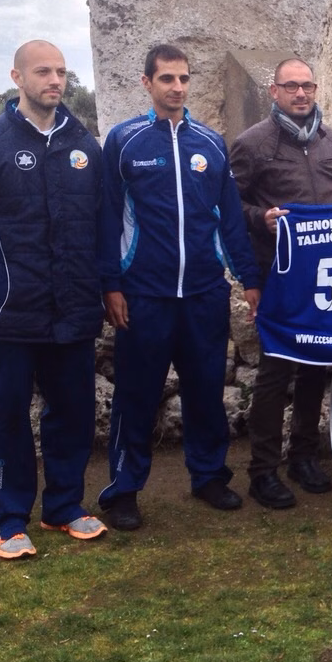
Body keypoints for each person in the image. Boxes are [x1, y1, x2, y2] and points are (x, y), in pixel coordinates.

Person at [0, 39, 107, 559]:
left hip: (73, 308)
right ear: (17, 78)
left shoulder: (86, 148)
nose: (54, 81)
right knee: (8, 418)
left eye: (60, 72)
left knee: (73, 412)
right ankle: (9, 522)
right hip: (9, 311)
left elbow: (100, 225)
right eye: (42, 72)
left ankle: (64, 507)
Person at [98, 44, 261, 530]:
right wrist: (111, 284)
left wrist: (249, 279)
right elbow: (106, 218)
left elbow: (229, 218)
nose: (177, 87)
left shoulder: (210, 144)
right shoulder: (124, 142)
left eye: (184, 78)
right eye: (167, 78)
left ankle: (208, 475)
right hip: (143, 293)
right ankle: (124, 489)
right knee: (136, 394)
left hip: (204, 293)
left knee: (206, 390)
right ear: (147, 84)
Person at [229, 57, 332, 509]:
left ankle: (303, 455)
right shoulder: (251, 144)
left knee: (317, 367)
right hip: (278, 275)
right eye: (291, 87)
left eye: (307, 86)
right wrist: (259, 220)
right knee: (274, 372)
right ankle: (262, 471)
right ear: (274, 91)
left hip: (326, 277)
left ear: (316, 89)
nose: (300, 94)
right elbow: (229, 209)